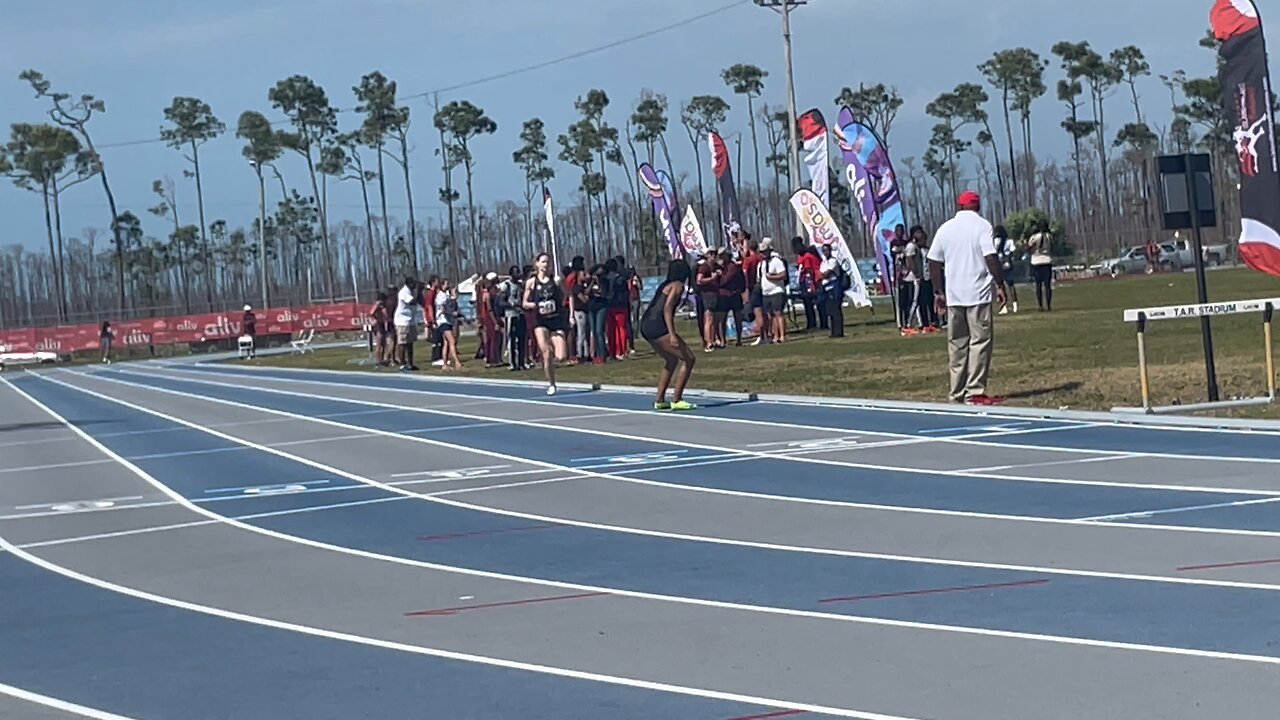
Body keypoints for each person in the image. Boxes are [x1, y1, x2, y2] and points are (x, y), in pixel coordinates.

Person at [927, 190, 1007, 406]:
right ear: (978, 207)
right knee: (980, 342)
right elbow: (990, 257)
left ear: (959, 206)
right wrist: (1000, 284)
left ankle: (956, 393)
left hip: (954, 295)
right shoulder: (982, 226)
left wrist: (938, 292)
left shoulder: (946, 228)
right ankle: (975, 391)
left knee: (957, 345)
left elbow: (933, 261)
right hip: (978, 293)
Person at [640, 260, 697, 411]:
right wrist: (672, 334)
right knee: (689, 359)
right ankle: (677, 399)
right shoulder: (677, 286)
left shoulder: (665, 285)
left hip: (646, 325)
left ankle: (659, 400)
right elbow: (667, 309)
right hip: (657, 325)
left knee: (671, 360)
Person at [523, 252, 573, 395]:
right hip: (541, 321)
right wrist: (536, 305)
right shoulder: (531, 282)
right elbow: (524, 303)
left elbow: (569, 295)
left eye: (548, 262)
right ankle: (551, 383)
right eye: (543, 262)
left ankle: (553, 345)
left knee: (562, 356)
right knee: (546, 353)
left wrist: (571, 314)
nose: (546, 264)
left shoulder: (556, 280)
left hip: (556, 320)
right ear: (537, 264)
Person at [759, 238, 788, 344]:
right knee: (771, 315)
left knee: (778, 313)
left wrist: (772, 277)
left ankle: (782, 335)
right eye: (761, 252)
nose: (762, 254)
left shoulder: (776, 261)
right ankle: (775, 336)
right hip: (766, 292)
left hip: (776, 291)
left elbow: (783, 274)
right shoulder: (761, 264)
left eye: (764, 252)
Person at [912, 226, 940, 332]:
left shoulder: (928, 249)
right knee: (922, 302)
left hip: (930, 278)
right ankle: (924, 323)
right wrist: (917, 274)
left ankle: (934, 321)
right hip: (922, 277)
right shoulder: (915, 249)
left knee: (931, 301)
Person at [792, 237, 822, 331]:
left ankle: (820, 323)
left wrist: (811, 284)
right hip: (803, 281)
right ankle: (811, 323)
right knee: (807, 303)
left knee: (817, 303)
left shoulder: (807, 256)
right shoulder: (800, 257)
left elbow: (810, 270)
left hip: (811, 281)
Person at [718, 247, 747, 345]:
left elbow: (725, 280)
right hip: (723, 295)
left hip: (733, 294)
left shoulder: (732, 267)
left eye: (723, 256)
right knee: (722, 319)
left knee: (738, 318)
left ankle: (739, 339)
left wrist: (719, 277)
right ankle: (723, 340)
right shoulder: (721, 267)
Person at [695, 250, 722, 351]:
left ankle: (713, 340)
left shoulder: (714, 266)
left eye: (715, 254)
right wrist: (712, 278)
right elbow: (699, 280)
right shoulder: (704, 267)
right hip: (707, 295)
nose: (713, 256)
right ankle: (709, 343)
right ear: (707, 256)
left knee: (714, 319)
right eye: (711, 254)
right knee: (708, 319)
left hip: (715, 294)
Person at [502, 266, 527, 371]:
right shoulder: (507, 285)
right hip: (511, 315)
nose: (518, 274)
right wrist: (511, 305)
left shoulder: (521, 285)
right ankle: (513, 363)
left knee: (522, 338)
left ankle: (522, 362)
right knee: (512, 339)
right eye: (516, 273)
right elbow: (501, 301)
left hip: (521, 314)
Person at [393, 276, 420, 372]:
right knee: (402, 343)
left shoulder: (411, 292)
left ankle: (410, 363)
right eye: (414, 284)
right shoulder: (404, 292)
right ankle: (402, 364)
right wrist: (419, 291)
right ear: (409, 284)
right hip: (402, 321)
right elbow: (412, 302)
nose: (415, 286)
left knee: (410, 343)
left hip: (410, 320)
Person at [1027, 220, 1054, 312]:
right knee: (1047, 285)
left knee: (1038, 285)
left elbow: (1029, 246)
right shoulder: (1049, 236)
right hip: (1047, 260)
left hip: (1036, 261)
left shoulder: (1035, 237)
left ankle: (1040, 305)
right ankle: (1049, 305)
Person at [818, 244, 844, 338]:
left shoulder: (833, 261)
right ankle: (833, 331)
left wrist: (823, 274)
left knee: (836, 310)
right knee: (830, 311)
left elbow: (827, 274)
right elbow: (820, 274)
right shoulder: (823, 262)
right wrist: (822, 274)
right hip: (826, 288)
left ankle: (839, 332)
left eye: (827, 250)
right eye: (824, 251)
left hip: (834, 287)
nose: (826, 252)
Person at [438, 283, 462, 371]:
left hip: (447, 322)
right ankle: (456, 361)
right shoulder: (447, 300)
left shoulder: (452, 301)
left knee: (446, 343)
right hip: (444, 322)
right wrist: (452, 313)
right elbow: (445, 310)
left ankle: (445, 364)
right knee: (452, 341)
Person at [369, 292, 393, 367]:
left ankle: (382, 360)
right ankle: (378, 361)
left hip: (382, 324)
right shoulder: (378, 304)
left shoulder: (383, 305)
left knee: (383, 344)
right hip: (378, 325)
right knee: (379, 344)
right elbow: (371, 313)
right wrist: (376, 319)